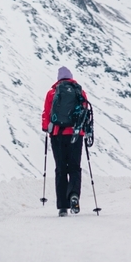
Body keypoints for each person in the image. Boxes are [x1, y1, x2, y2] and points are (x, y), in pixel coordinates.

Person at [42, 66, 90, 216]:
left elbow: (46, 114)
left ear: (58, 78)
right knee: (75, 167)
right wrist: (85, 131)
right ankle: (74, 195)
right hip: (76, 134)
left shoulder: (52, 92)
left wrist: (46, 128)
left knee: (61, 168)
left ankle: (63, 207)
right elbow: (85, 113)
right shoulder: (79, 92)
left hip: (58, 135)